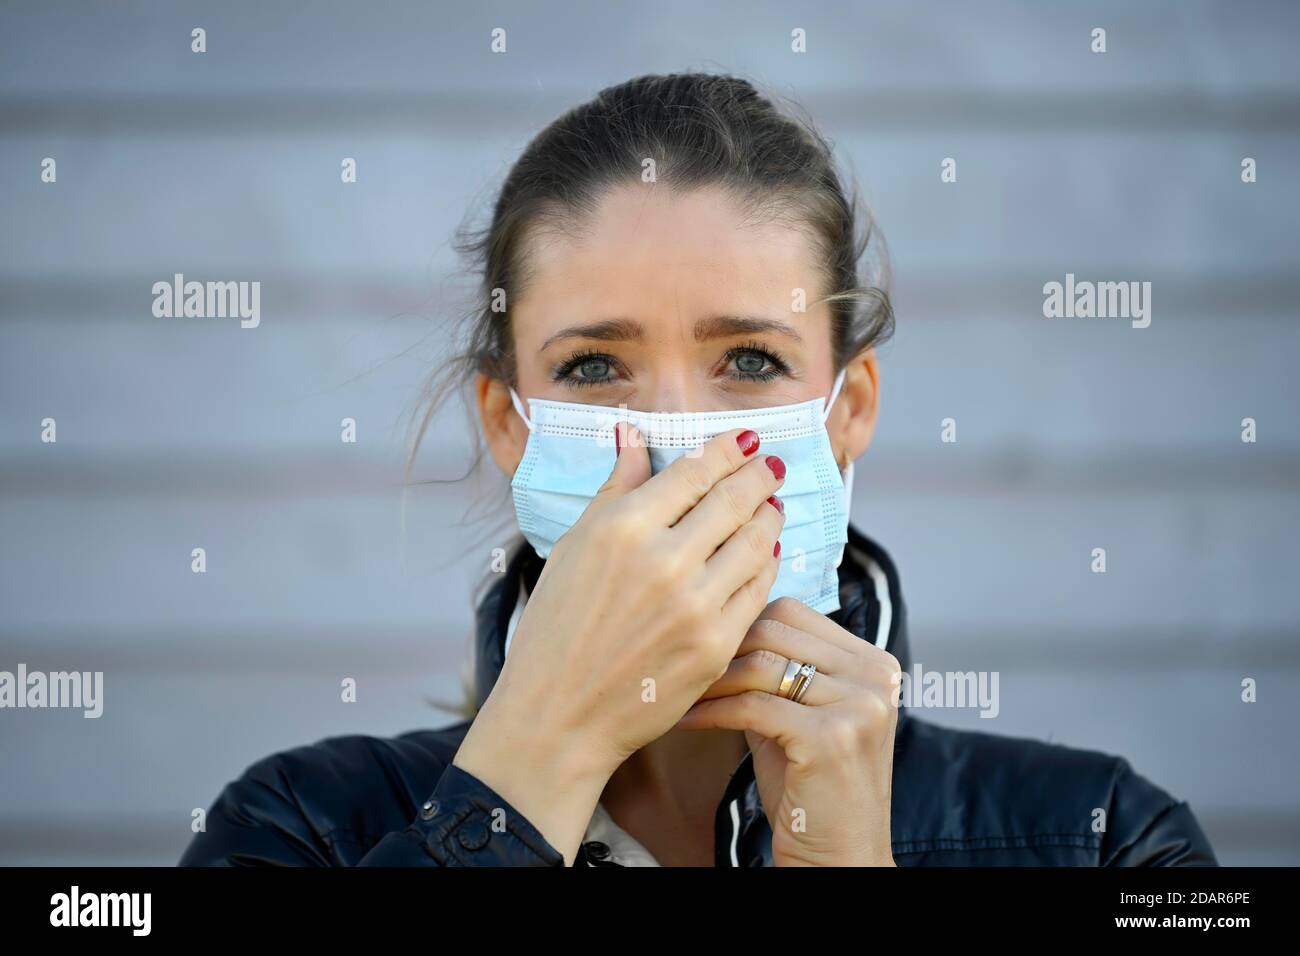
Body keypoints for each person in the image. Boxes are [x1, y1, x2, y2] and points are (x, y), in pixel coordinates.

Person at [179, 73, 1216, 867]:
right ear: (509, 422)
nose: (676, 432)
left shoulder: (1106, 839)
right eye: (594, 366)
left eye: (749, 361)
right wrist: (530, 762)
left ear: (847, 410)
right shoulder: (300, 826)